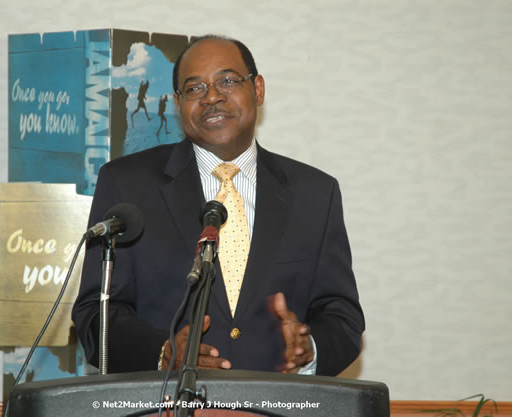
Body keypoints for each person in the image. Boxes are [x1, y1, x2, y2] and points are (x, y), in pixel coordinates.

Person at [72, 35, 364, 376]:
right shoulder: (127, 185)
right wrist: (162, 352)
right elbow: (96, 314)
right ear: (178, 103)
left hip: (279, 405)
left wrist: (309, 348)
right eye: (194, 88)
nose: (211, 97)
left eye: (227, 81)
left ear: (257, 89)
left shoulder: (315, 193)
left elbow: (342, 314)